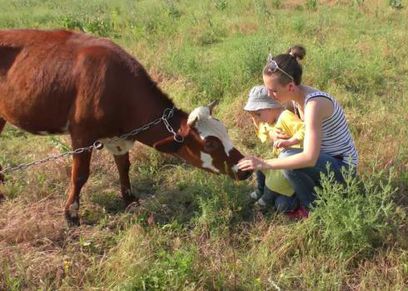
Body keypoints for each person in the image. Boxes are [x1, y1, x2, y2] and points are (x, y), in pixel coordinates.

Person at [238, 45, 358, 217]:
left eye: (273, 91)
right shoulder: (296, 98)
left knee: (289, 160)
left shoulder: (314, 105)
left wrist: (264, 163)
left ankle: (313, 209)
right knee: (283, 204)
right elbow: (272, 118)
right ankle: (307, 197)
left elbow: (309, 158)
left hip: (343, 169)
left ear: (290, 86)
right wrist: (270, 132)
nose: (270, 96)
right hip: (323, 165)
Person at [244, 85, 304, 213]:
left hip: (292, 165)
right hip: (282, 161)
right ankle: (262, 190)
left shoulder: (286, 117)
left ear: (270, 107)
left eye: (258, 114)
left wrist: (291, 141)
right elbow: (261, 129)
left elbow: (305, 129)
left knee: (280, 198)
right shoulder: (272, 120)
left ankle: (266, 199)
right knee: (261, 167)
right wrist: (269, 130)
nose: (258, 120)